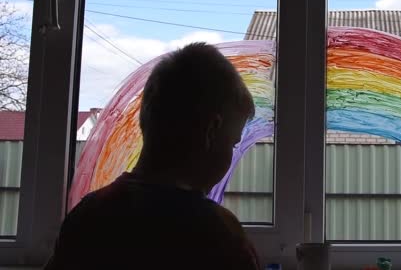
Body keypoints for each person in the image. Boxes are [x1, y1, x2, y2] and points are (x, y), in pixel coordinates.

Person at [44, 43, 260, 270]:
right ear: (211, 131)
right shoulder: (219, 234)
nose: (230, 156)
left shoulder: (87, 216)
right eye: (233, 143)